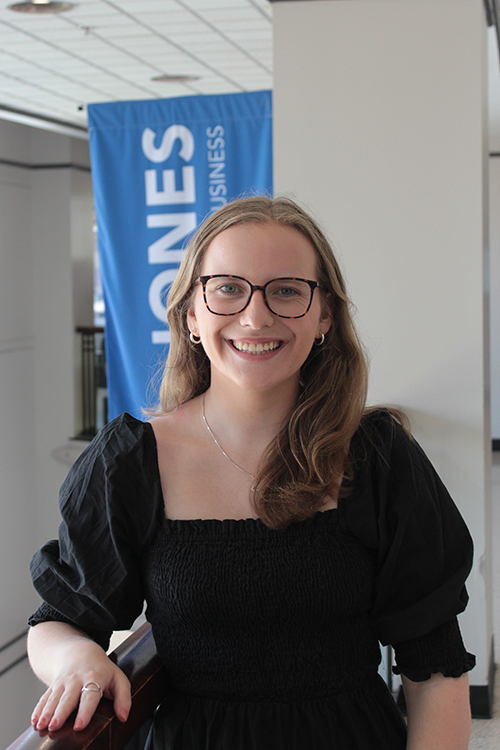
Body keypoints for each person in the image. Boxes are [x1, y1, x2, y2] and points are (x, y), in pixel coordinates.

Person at [27, 196, 475, 750]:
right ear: (192, 313)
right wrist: (76, 658)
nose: (256, 316)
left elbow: (436, 675)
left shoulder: (379, 459)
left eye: (286, 290)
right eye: (228, 288)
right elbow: (59, 619)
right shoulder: (130, 461)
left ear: (325, 316)